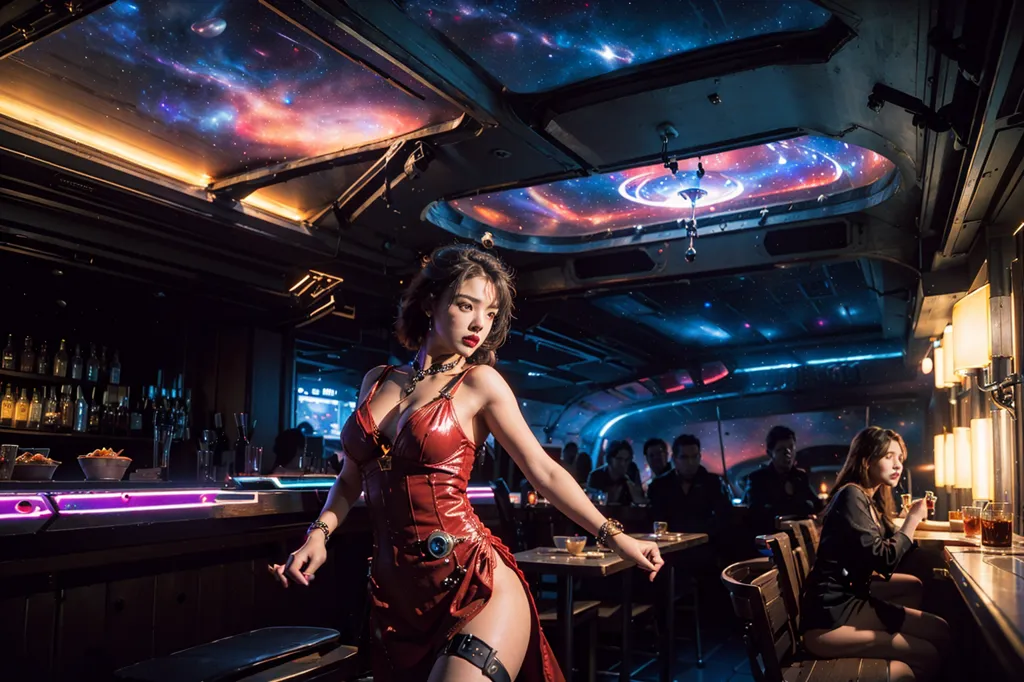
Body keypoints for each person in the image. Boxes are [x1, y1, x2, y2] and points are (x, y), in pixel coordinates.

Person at [270, 244, 663, 682]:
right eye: (466, 305)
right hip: (395, 596)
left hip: (472, 579)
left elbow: (544, 470)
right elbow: (350, 480)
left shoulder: (481, 383)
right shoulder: (375, 380)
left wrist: (615, 537)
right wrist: (318, 536)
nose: (480, 323)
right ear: (429, 302)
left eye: (491, 313)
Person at [800, 427, 949, 682]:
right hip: (829, 617)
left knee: (940, 629)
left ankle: (897, 651)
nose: (897, 464)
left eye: (900, 458)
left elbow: (897, 542)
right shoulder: (851, 495)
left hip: (851, 601)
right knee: (929, 652)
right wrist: (912, 519)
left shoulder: (869, 499)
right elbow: (885, 560)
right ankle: (896, 659)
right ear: (867, 459)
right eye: (889, 456)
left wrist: (913, 522)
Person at [743, 425, 823, 536]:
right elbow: (757, 513)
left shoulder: (800, 477)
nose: (788, 453)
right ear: (770, 453)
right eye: (781, 449)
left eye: (791, 447)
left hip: (803, 537)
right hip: (772, 539)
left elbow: (816, 505)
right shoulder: (758, 479)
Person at [647, 434, 731, 536]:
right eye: (684, 457)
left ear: (699, 457)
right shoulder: (659, 486)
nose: (690, 462)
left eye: (694, 457)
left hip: (707, 545)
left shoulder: (713, 483)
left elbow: (724, 519)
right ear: (674, 459)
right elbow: (656, 520)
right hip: (672, 546)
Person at [587, 440, 646, 505]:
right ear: (610, 459)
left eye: (627, 460)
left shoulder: (632, 474)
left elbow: (640, 500)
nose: (623, 463)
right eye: (619, 459)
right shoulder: (596, 476)